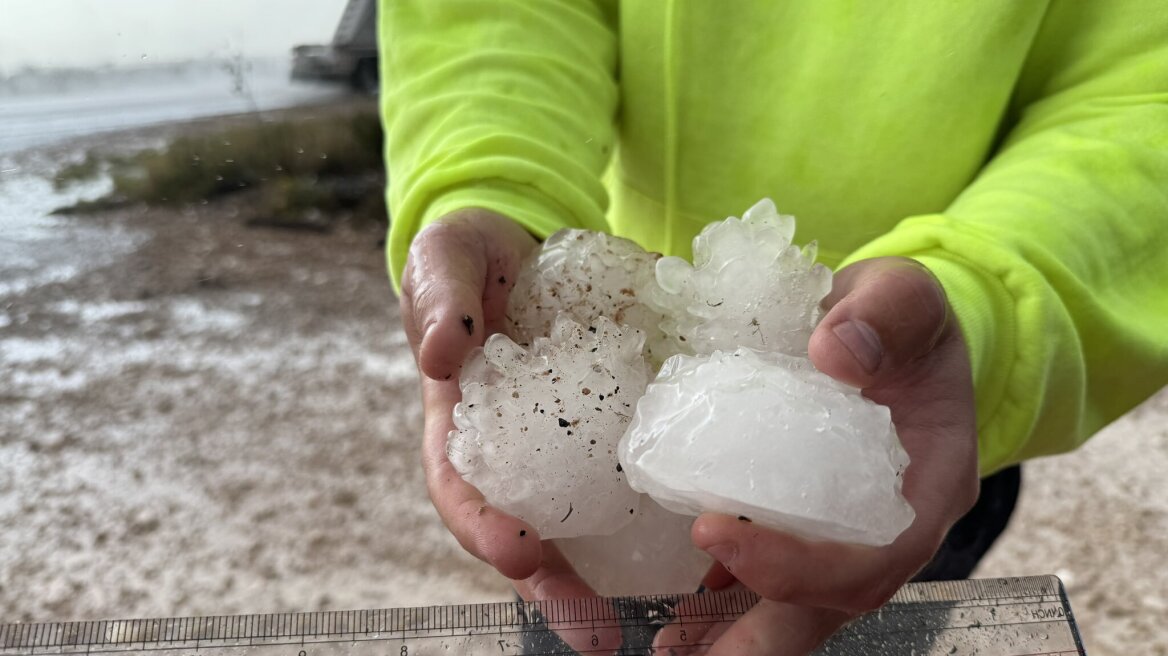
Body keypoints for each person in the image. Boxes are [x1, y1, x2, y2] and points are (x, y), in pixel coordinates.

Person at [379, 2, 1168, 653]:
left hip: (934, 410)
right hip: (641, 384)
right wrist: (495, 187)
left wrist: (984, 302)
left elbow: (1144, 97)